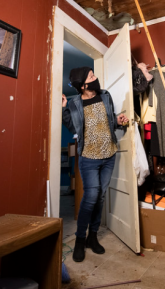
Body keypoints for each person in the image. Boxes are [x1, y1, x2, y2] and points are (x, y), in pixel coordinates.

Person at [62, 67, 129, 262]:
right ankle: (80, 240)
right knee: (91, 196)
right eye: (91, 76)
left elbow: (109, 121)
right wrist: (65, 109)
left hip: (109, 154)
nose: (96, 77)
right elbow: (73, 127)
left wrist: (118, 120)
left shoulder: (105, 96)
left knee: (100, 197)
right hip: (89, 158)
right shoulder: (75, 104)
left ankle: (93, 237)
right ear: (83, 86)